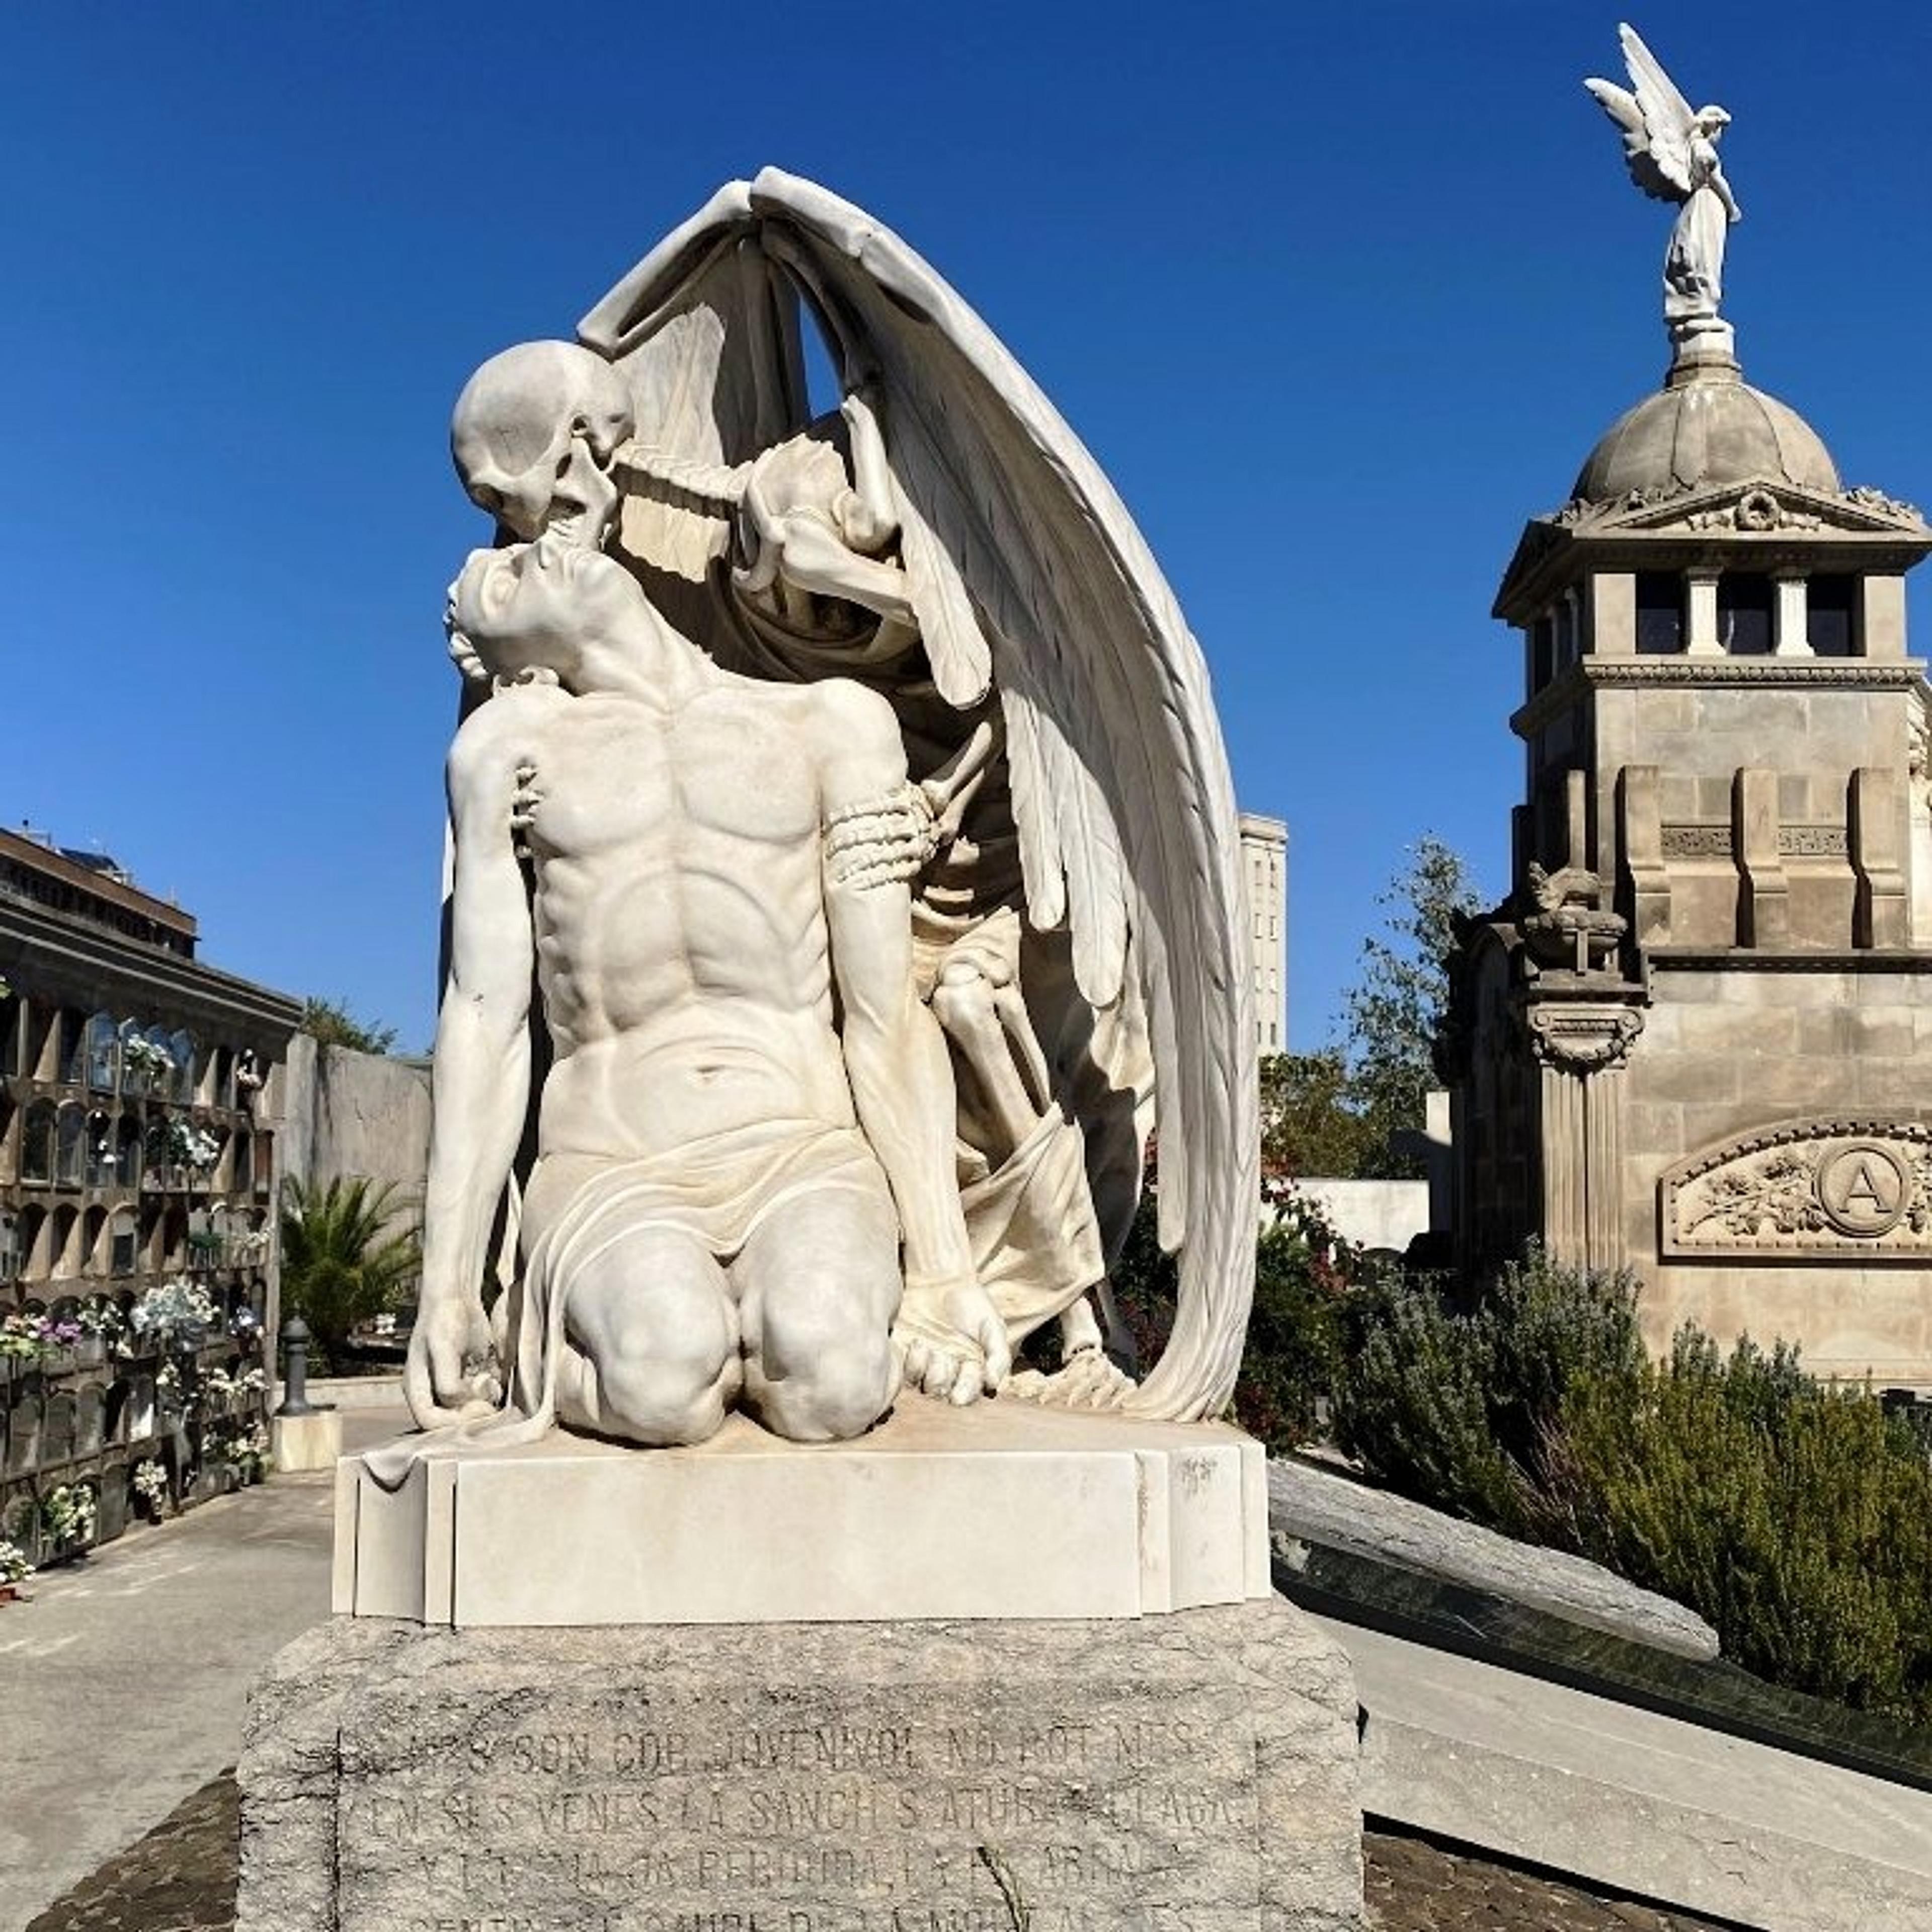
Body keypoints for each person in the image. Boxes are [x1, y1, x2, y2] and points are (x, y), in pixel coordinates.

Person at [405, 532, 1009, 1446]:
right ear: (507, 661)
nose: (540, 552)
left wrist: (941, 1269)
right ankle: (547, 1343)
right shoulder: (508, 750)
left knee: (834, 1376)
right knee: (661, 1378)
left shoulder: (834, 723)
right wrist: (447, 1287)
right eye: (502, 582)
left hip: (800, 1147)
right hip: (615, 1162)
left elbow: (886, 1016)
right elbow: (486, 1022)